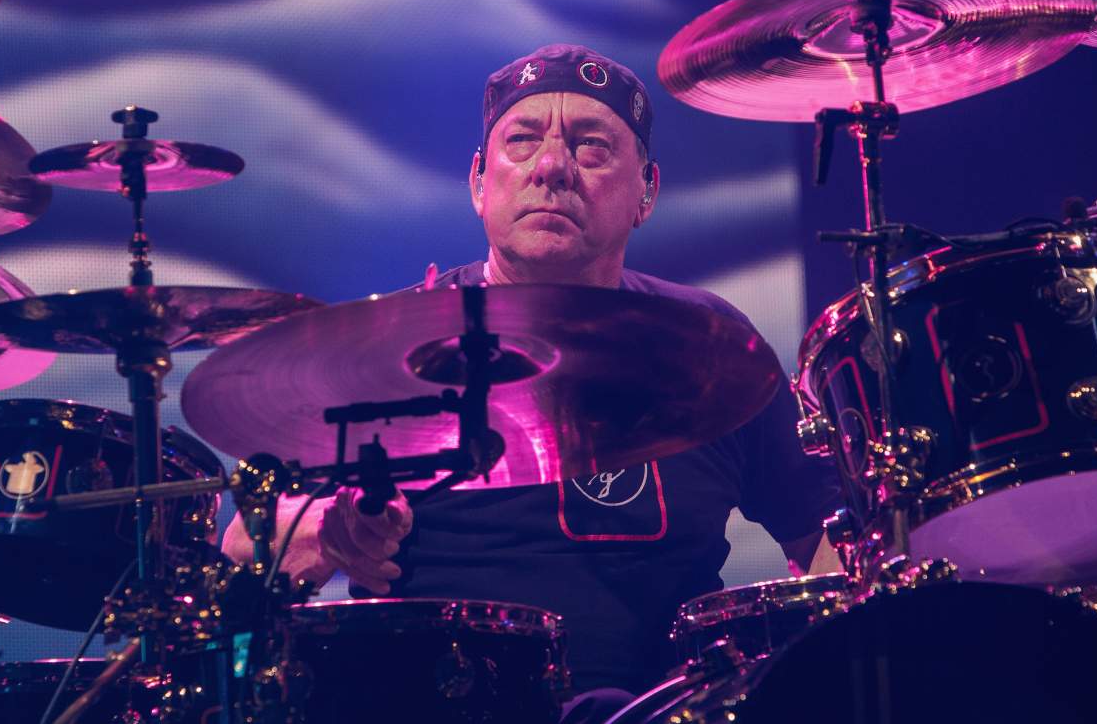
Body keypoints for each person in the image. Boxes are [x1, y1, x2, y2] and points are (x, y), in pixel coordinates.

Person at [222, 43, 842, 720]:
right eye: (522, 143)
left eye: (592, 147)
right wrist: (331, 533)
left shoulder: (712, 347)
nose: (552, 167)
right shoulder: (386, 351)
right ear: (479, 182)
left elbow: (830, 540)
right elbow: (245, 545)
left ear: (647, 192)